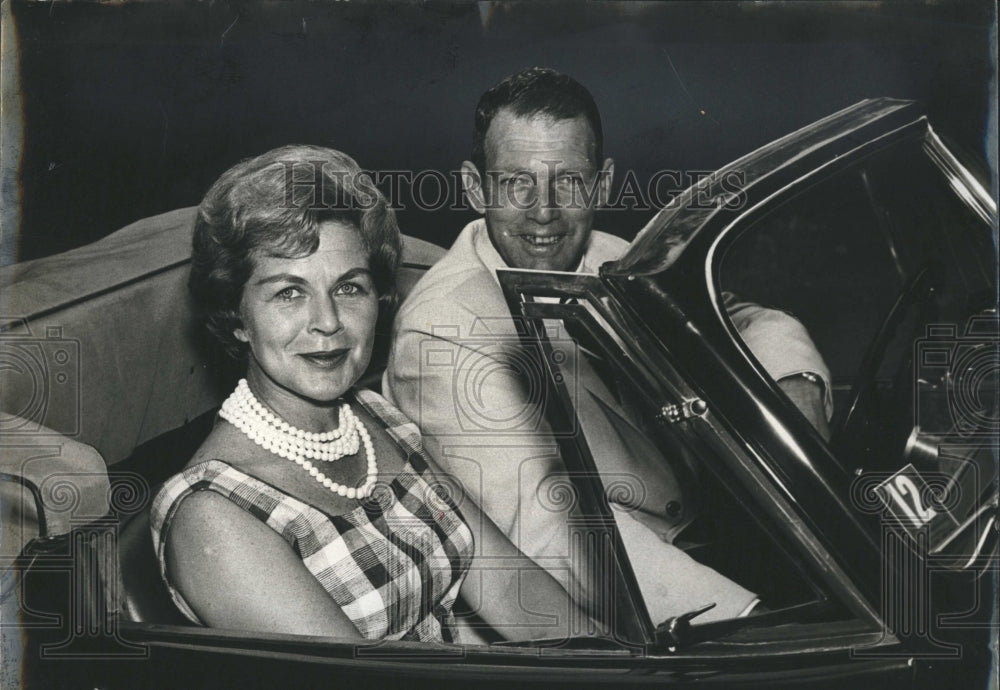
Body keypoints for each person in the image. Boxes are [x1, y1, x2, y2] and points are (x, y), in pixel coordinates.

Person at [384, 68, 832, 625]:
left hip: (702, 532)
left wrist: (793, 379)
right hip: (611, 609)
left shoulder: (605, 255)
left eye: (568, 180)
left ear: (602, 183)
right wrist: (744, 619)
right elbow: (549, 529)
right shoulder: (442, 332)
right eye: (516, 182)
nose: (543, 211)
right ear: (476, 188)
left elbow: (737, 317)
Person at [150, 145, 587, 643]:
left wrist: (620, 671)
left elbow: (510, 585)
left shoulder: (375, 416)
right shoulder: (213, 515)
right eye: (289, 293)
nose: (328, 322)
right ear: (237, 319)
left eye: (349, 287)